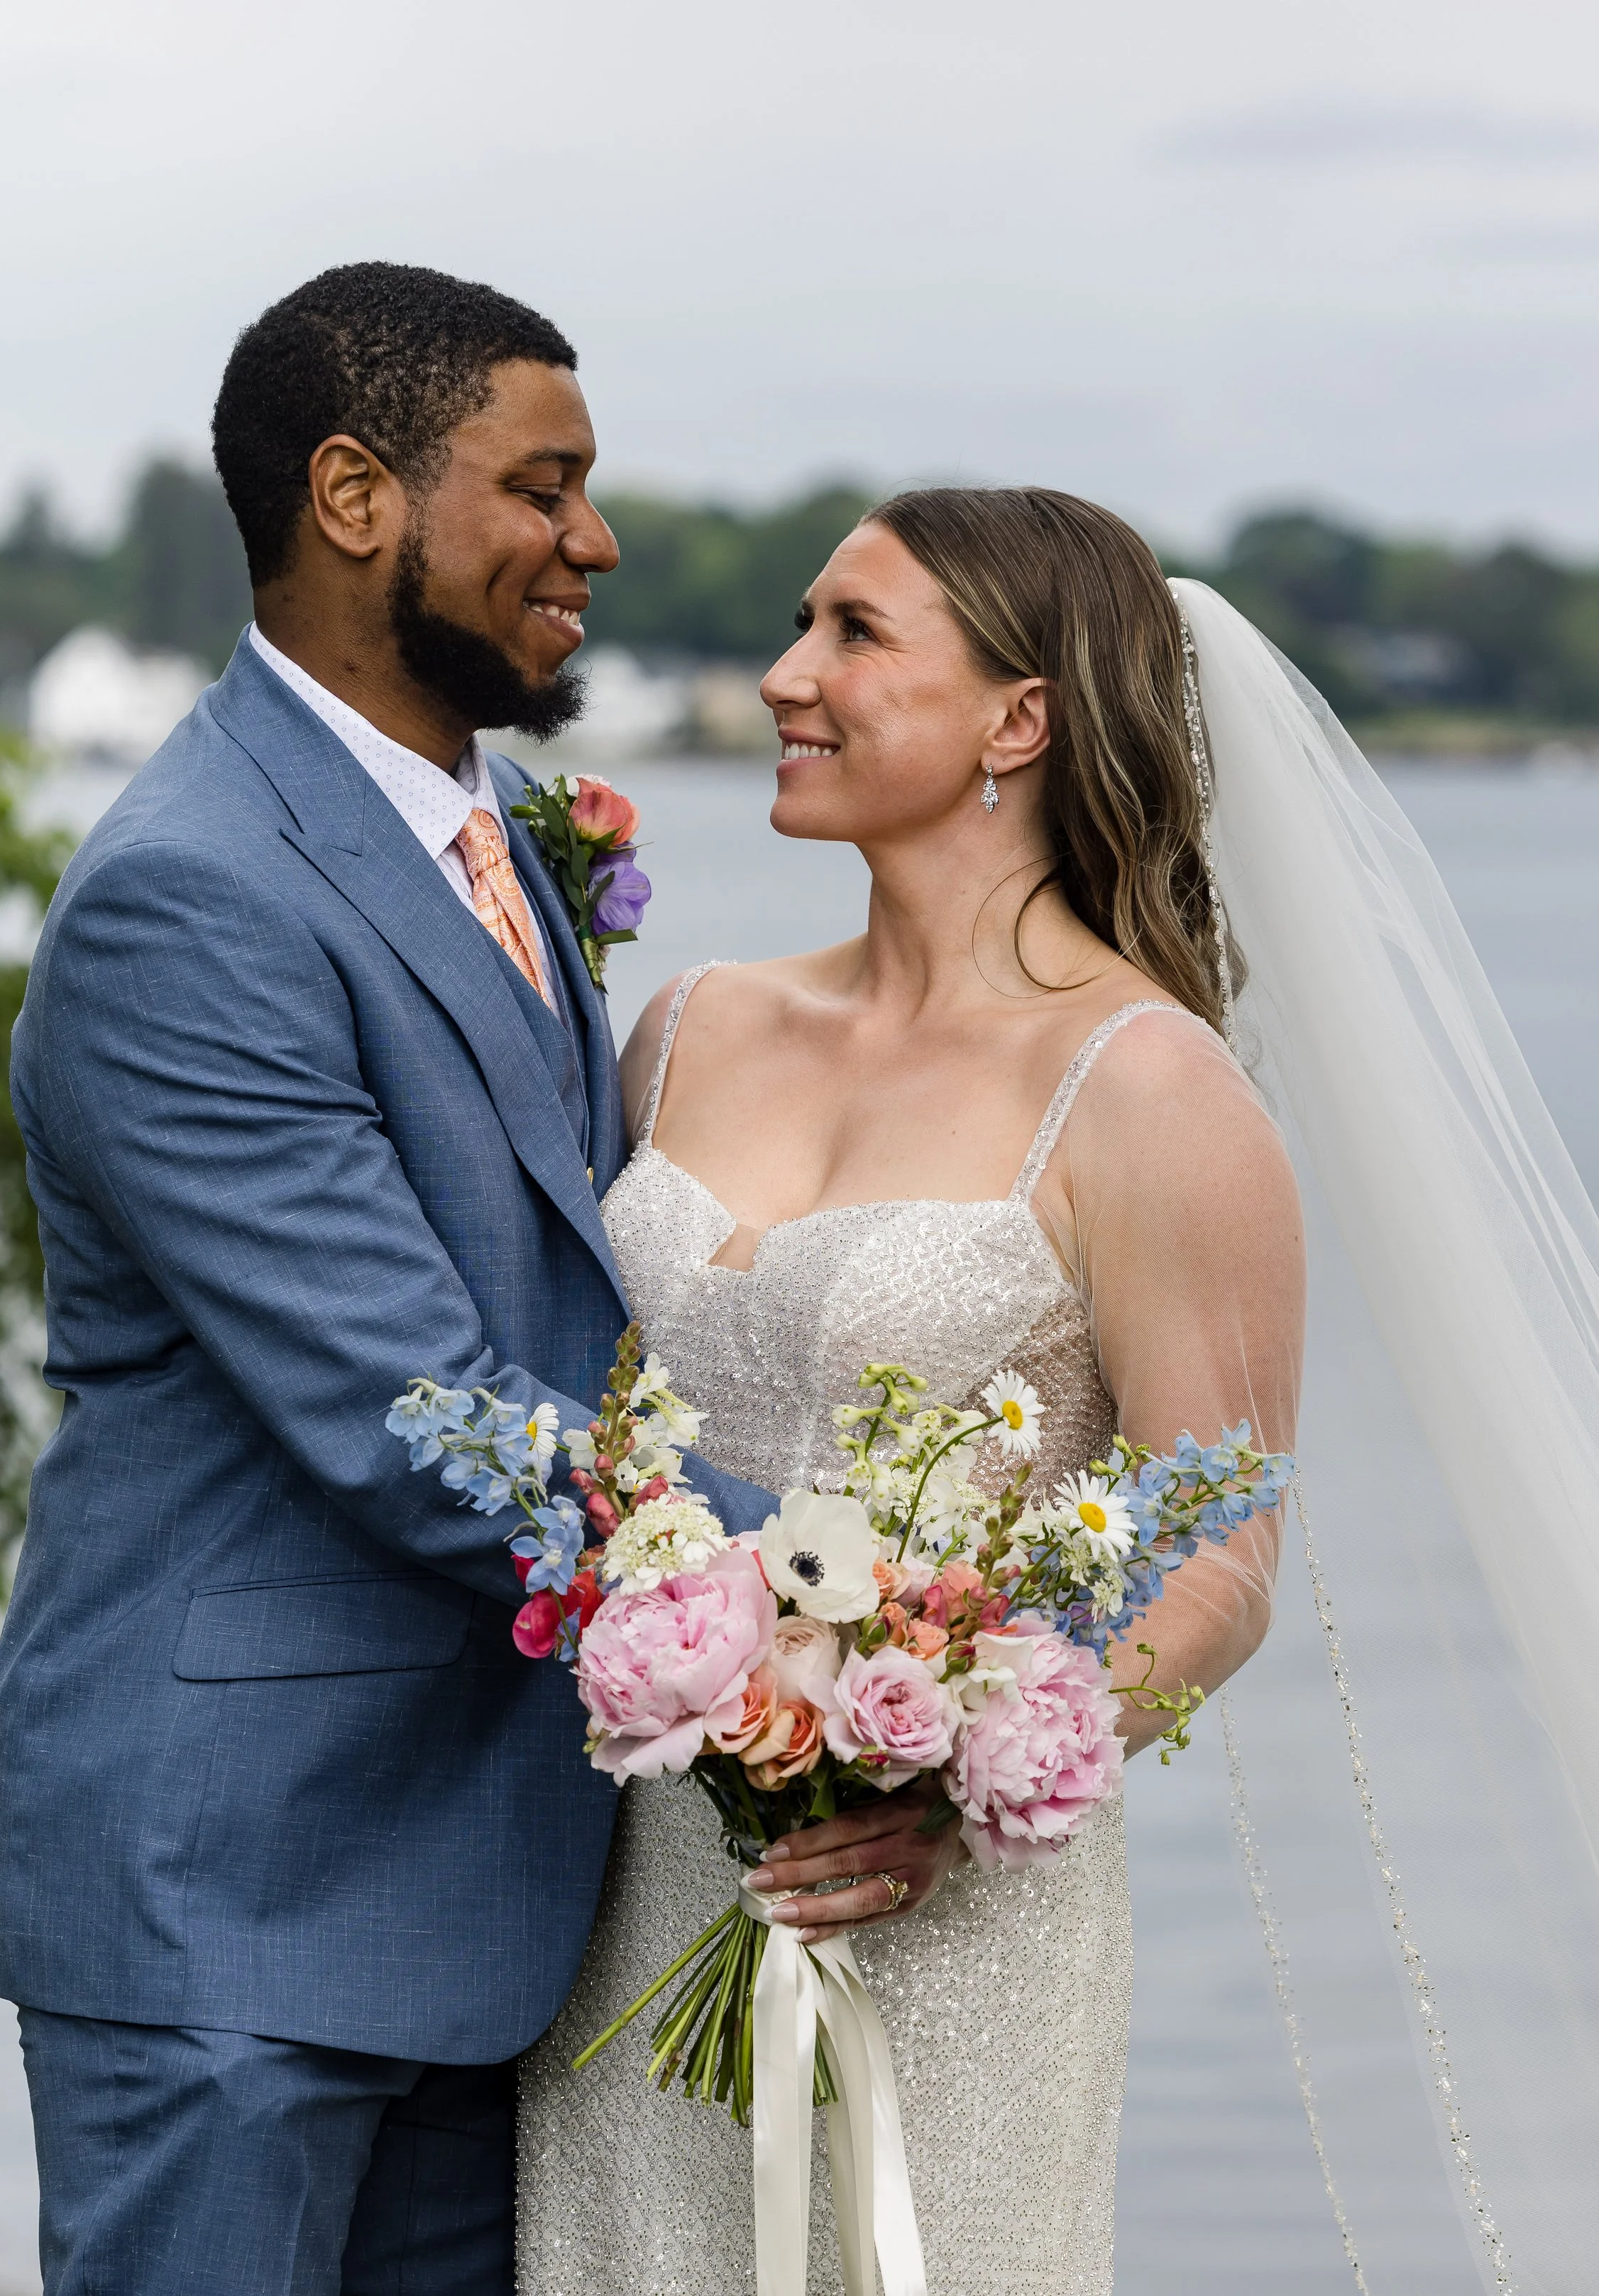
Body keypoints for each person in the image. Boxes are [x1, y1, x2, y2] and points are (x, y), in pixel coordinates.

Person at [0, 262, 774, 2296]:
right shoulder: (193, 893)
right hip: (231, 1878)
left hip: (482, 1885)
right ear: (354, 496)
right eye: (544, 484)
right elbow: (416, 1410)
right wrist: (857, 1594)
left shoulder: (494, 834)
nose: (592, 540)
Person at [517, 488, 1304, 2294]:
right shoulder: (686, 1026)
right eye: (801, 624)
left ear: (1014, 722)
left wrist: (951, 1764)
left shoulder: (1148, 1094)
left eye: (853, 636)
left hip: (938, 1913)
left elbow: (1221, 1554)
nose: (788, 675)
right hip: (633, 1877)